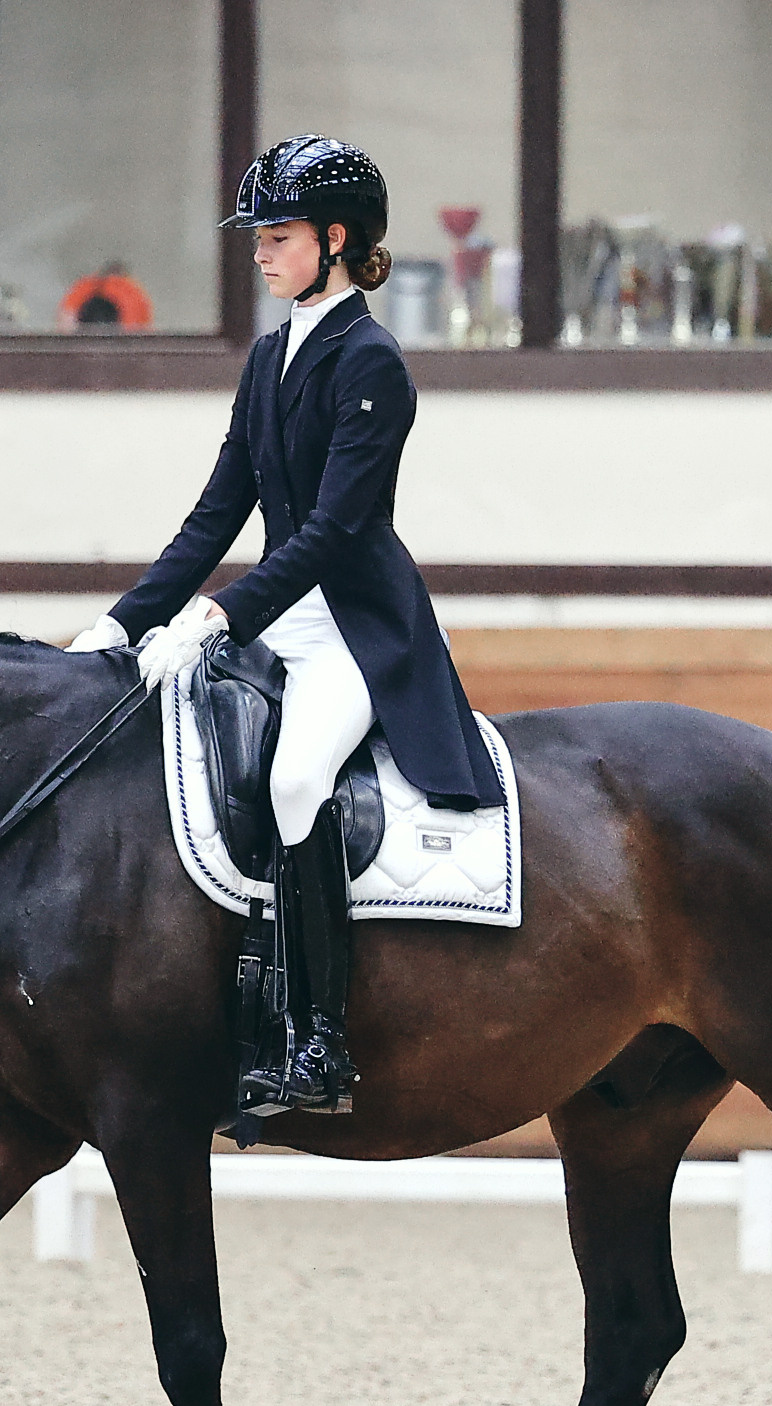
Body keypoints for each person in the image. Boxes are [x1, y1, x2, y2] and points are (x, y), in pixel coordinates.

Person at [69, 134, 506, 1117]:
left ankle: (318, 1041)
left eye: (277, 235)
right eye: (258, 236)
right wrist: (122, 621)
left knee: (295, 776)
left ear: (336, 239)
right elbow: (217, 514)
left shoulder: (373, 363)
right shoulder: (270, 356)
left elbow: (333, 533)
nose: (260, 252)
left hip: (353, 623)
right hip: (278, 614)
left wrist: (219, 615)